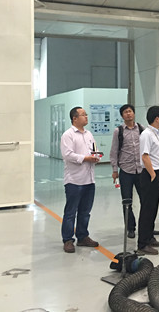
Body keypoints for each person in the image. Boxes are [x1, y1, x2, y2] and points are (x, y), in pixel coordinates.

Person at [60, 106, 101, 253]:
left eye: (86, 114)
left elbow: (93, 149)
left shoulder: (89, 134)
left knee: (85, 211)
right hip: (74, 180)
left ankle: (82, 236)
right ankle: (68, 240)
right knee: (71, 212)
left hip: (89, 179)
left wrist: (95, 156)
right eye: (83, 115)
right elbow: (67, 154)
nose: (86, 117)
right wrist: (86, 158)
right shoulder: (68, 135)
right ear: (75, 118)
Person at [110, 104, 144, 239]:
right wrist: (114, 170)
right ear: (122, 116)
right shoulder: (118, 131)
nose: (128, 114)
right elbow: (113, 151)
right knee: (127, 201)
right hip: (126, 171)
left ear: (134, 113)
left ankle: (146, 227)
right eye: (125, 112)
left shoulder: (141, 129)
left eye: (130, 111)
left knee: (145, 200)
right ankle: (130, 228)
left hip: (141, 170)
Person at [136, 106, 159, 255]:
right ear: (156, 118)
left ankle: (149, 237)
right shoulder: (146, 135)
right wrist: (153, 174)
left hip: (157, 173)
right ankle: (142, 243)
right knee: (147, 209)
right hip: (150, 175)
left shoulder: (156, 133)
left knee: (153, 208)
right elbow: (145, 156)